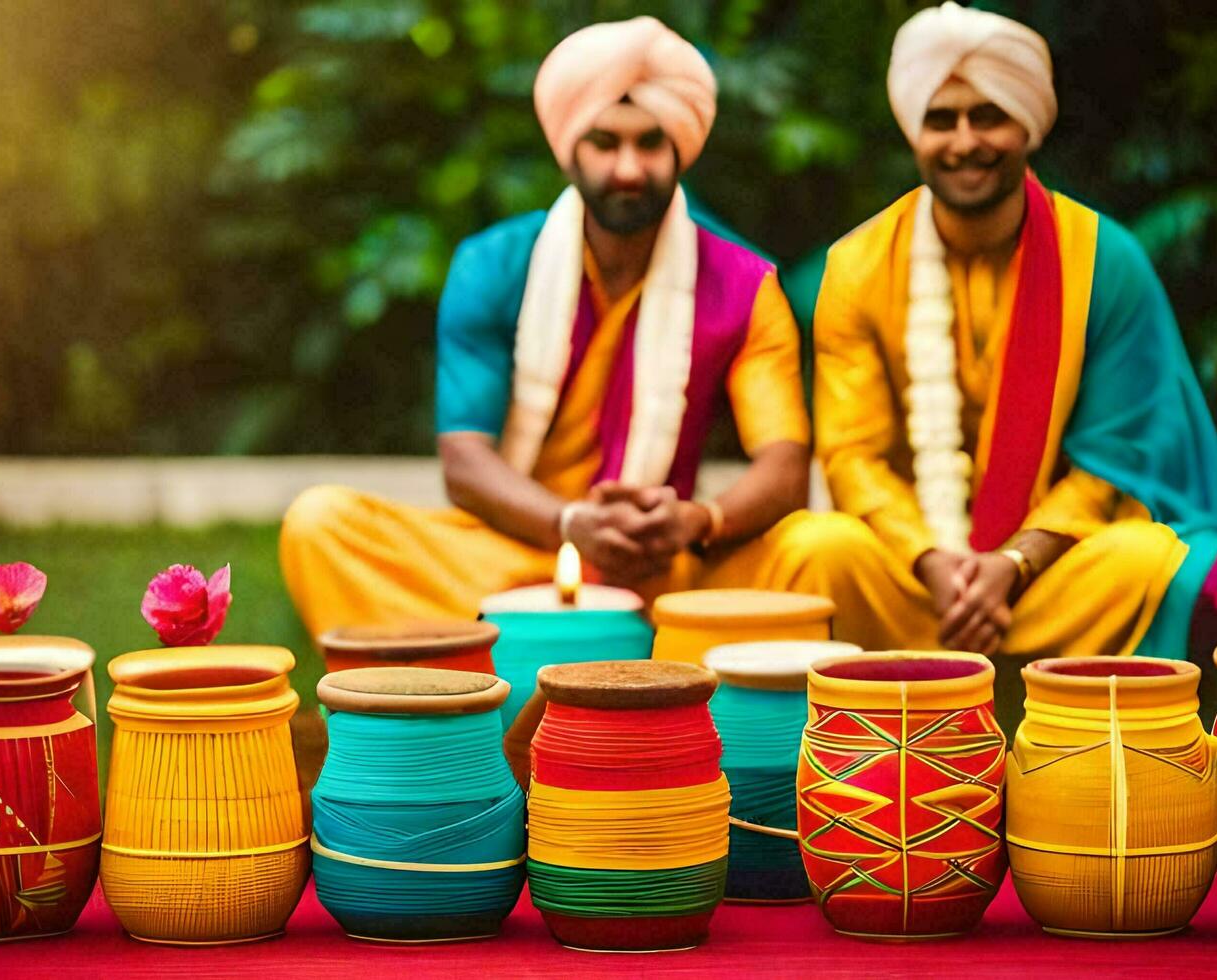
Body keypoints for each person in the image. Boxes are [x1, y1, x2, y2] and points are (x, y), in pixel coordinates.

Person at [280, 16, 821, 640]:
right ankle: (624, 661)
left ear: (680, 149)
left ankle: (509, 660)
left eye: (649, 142)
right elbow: (464, 461)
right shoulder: (494, 265)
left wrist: (697, 521)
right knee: (321, 524)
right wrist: (568, 523)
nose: (627, 168)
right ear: (569, 150)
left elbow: (784, 467)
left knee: (821, 547)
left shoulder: (745, 285)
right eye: (604, 142)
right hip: (517, 553)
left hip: (665, 562)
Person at [803, 1, 1217, 661]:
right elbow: (853, 457)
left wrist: (1014, 561)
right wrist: (931, 560)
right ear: (912, 132)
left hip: (1057, 567)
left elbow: (1116, 461)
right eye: (940, 120)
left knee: (1147, 558)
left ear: (1028, 126)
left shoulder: (1103, 259)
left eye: (989, 116)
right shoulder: (857, 267)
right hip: (912, 571)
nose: (964, 142)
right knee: (820, 548)